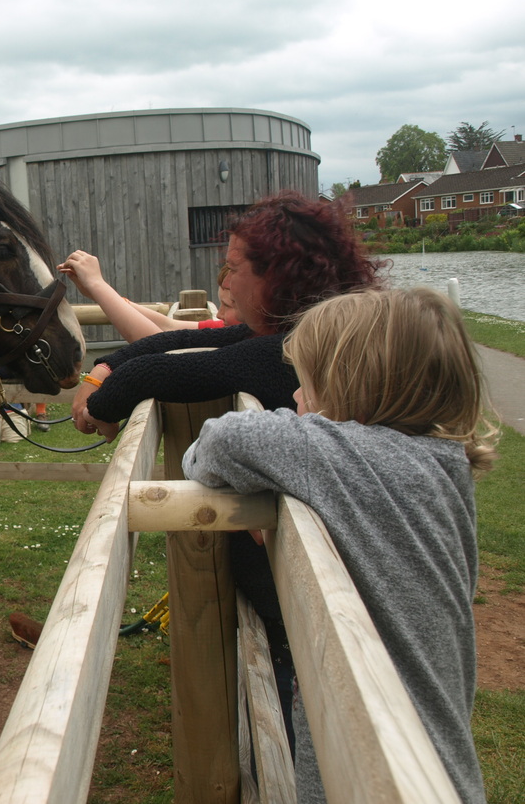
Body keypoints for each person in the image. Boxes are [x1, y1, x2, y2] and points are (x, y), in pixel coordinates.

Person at [19, 192, 382, 751]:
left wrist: (106, 391)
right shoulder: (285, 335)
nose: (226, 284)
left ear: (278, 275)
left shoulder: (295, 348)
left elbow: (174, 371)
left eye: (234, 270)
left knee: (314, 737)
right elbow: (182, 342)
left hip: (325, 619)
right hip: (300, 606)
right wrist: (104, 369)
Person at [183, 287, 497, 803]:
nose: (295, 398)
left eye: (305, 384)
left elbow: (219, 443)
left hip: (374, 762)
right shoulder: (435, 461)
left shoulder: (349, 456)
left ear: (349, 388)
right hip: (434, 760)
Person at [57, 250, 238, 341]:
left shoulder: (241, 338)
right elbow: (168, 326)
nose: (219, 314)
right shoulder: (227, 329)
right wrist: (99, 293)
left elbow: (157, 341)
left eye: (229, 305)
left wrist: (98, 285)